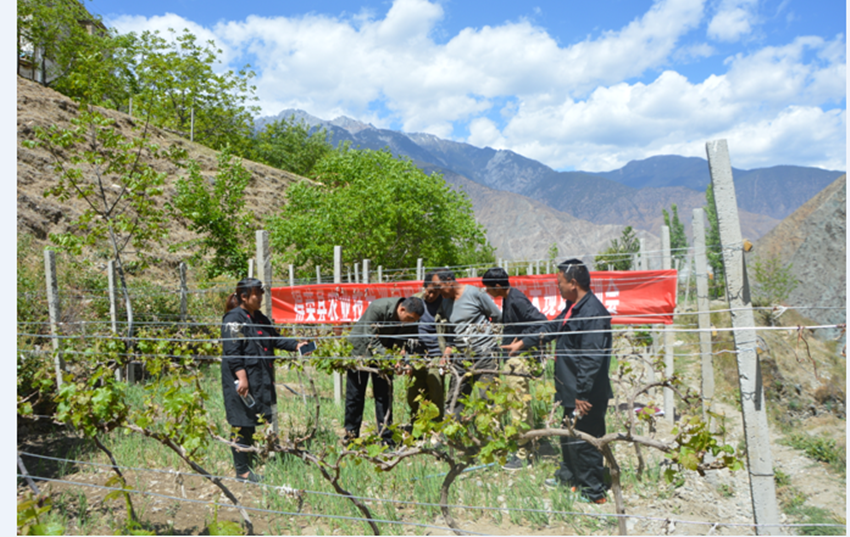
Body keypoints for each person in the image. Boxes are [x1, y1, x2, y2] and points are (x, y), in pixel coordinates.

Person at [503, 259, 613, 503]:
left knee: (585, 440)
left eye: (559, 282)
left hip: (586, 394)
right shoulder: (574, 307)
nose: (558, 287)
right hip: (570, 389)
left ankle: (593, 492)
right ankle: (569, 476)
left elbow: (591, 359)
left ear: (573, 283)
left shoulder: (592, 313)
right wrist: (524, 342)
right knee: (568, 435)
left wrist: (582, 394)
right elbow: (554, 327)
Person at [221, 278, 311, 483]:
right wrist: (242, 378)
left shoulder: (259, 318)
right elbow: (232, 351)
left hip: (258, 378)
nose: (260, 298)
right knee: (240, 422)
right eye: (256, 294)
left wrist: (296, 345)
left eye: (261, 293)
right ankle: (242, 472)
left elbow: (273, 338)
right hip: (241, 380)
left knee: (251, 420)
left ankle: (249, 459)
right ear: (244, 297)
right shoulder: (234, 319)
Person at [481, 267, 549, 471]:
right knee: (516, 403)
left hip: (519, 360)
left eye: (488, 288)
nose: (487, 292)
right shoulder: (508, 299)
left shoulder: (516, 299)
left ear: (498, 286)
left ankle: (523, 453)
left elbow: (541, 322)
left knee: (519, 406)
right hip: (513, 359)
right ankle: (525, 445)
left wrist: (521, 342)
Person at [346, 296, 425, 444]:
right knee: (355, 396)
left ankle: (386, 438)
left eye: (414, 320)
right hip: (360, 352)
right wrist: (392, 358)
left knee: (384, 396)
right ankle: (350, 436)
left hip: (387, 355)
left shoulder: (411, 319)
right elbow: (370, 339)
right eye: (409, 318)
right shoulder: (378, 308)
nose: (411, 322)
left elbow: (409, 341)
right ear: (402, 309)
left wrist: (405, 361)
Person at [432, 268, 503, 417]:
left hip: (485, 356)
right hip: (461, 358)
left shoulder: (475, 294)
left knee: (488, 398)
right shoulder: (446, 302)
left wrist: (489, 339)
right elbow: (451, 330)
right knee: (455, 399)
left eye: (439, 287)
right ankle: (451, 430)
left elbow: (496, 316)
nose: (438, 292)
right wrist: (448, 349)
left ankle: (490, 430)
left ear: (449, 281)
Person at [407, 270, 445, 422]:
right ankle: (416, 423)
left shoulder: (445, 303)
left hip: (437, 353)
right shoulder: (414, 301)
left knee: (435, 388)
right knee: (414, 391)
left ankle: (436, 425)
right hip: (417, 353)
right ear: (423, 287)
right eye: (429, 291)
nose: (431, 295)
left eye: (435, 292)